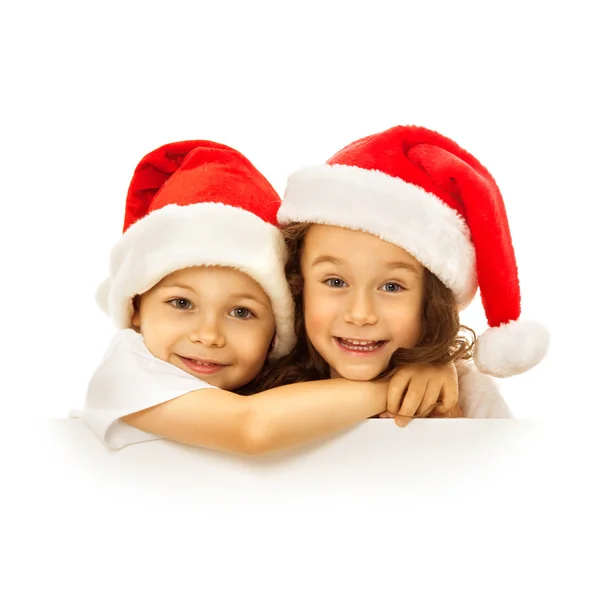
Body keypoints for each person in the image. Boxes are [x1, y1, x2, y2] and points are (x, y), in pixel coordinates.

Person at [70, 139, 458, 456]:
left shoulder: (279, 382)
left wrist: (434, 369)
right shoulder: (127, 369)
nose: (208, 335)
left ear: (278, 328)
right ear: (135, 307)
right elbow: (251, 427)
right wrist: (394, 386)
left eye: (241, 311)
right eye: (182, 303)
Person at [259, 124, 551, 418]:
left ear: (431, 299)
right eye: (335, 281)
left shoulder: (467, 394)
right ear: (298, 284)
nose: (360, 314)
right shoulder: (258, 374)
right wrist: (384, 393)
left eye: (392, 287)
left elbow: (498, 461)